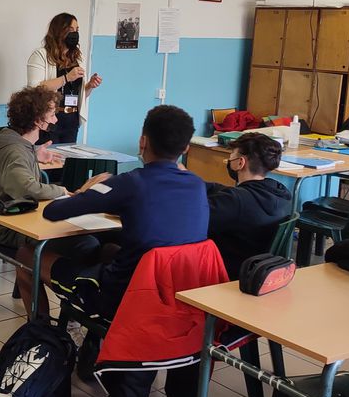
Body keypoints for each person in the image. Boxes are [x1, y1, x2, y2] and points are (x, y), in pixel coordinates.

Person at [42, 104, 209, 320]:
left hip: (121, 297)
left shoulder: (129, 183)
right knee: (108, 249)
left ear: (143, 141)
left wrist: (86, 191)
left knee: (28, 255)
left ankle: (40, 339)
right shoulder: (198, 185)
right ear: (186, 148)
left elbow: (54, 211)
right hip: (175, 296)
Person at [0, 85, 104, 318]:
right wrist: (63, 192)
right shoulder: (15, 151)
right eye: (51, 113)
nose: (55, 117)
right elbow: (24, 186)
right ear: (39, 121)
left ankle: (71, 302)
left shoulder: (18, 145)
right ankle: (71, 302)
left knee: (84, 242)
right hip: (10, 225)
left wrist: (34, 154)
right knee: (83, 244)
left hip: (25, 216)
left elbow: (19, 169)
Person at [206, 132, 292, 279]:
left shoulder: (236, 201)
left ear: (240, 162)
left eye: (232, 155)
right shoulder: (279, 194)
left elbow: (195, 218)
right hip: (257, 270)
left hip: (227, 270)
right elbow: (232, 194)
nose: (229, 159)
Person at [27, 12, 103, 144]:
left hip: (72, 119)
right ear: (59, 32)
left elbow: (80, 95)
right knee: (50, 161)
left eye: (77, 30)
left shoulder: (78, 58)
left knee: (68, 161)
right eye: (71, 30)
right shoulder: (41, 55)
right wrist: (66, 78)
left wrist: (89, 86)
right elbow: (35, 89)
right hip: (49, 119)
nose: (75, 34)